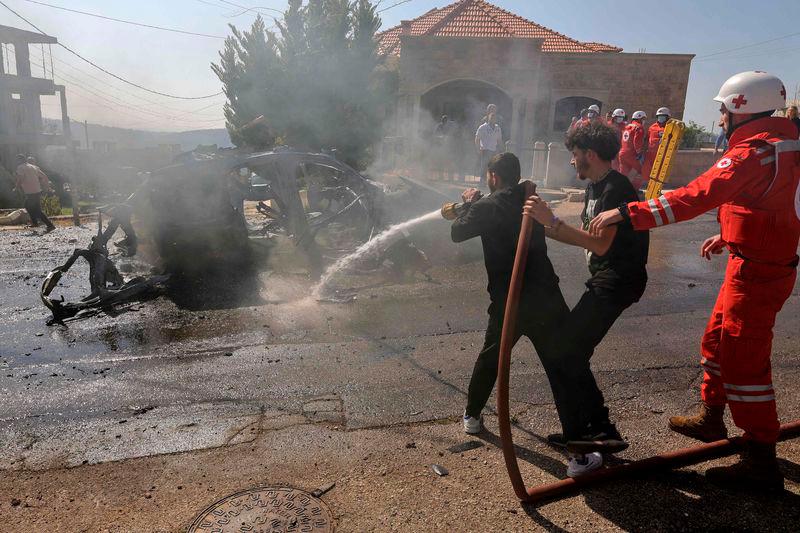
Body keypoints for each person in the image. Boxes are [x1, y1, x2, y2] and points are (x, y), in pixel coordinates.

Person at [589, 71, 800, 491]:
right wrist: (731, 232)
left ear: (741, 109)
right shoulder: (783, 146)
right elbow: (776, 202)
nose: (719, 117)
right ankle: (711, 418)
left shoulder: (752, 154)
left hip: (760, 272)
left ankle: (760, 461)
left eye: (723, 108)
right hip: (755, 262)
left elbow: (696, 195)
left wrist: (630, 214)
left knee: (745, 364)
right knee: (717, 341)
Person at [450, 153, 605, 477]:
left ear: (493, 176)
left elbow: (457, 232)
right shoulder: (532, 199)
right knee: (562, 369)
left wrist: (467, 202)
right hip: (546, 299)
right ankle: (578, 456)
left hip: (508, 302)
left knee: (491, 358)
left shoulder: (486, 207)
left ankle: (472, 416)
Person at [523, 120, 648, 464]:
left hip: (617, 279)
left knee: (567, 350)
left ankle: (601, 429)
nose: (572, 161)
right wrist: (543, 228)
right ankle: (582, 428)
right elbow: (583, 235)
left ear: (590, 154)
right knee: (570, 351)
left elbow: (600, 244)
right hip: (606, 278)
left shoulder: (616, 189)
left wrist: (551, 223)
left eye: (575, 155)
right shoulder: (595, 186)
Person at [15, 154, 55, 233]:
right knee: (28, 206)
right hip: (37, 191)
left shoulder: (20, 167)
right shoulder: (33, 167)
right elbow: (44, 176)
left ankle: (49, 225)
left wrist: (16, 187)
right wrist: (45, 186)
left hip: (30, 192)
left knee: (36, 210)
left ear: (19, 160)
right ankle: (36, 222)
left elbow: (21, 178)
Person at [641, 107, 671, 182]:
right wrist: (643, 152)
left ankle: (657, 189)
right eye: (659, 116)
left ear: (667, 117)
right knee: (646, 171)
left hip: (662, 155)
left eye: (663, 117)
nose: (661, 118)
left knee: (659, 174)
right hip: (650, 154)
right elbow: (646, 140)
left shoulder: (670, 128)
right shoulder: (652, 127)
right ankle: (649, 187)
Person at [618, 110, 646, 188]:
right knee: (641, 171)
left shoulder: (626, 127)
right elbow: (637, 141)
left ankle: (620, 189)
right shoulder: (639, 127)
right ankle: (635, 189)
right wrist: (639, 152)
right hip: (631, 154)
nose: (644, 121)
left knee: (623, 174)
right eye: (643, 119)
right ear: (639, 118)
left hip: (622, 153)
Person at [474, 112, 502, 182]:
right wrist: (478, 149)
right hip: (485, 150)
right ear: (488, 118)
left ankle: (491, 184)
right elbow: (477, 139)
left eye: (494, 118)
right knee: (484, 168)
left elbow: (499, 140)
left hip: (494, 151)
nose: (493, 119)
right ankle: (482, 183)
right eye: (491, 117)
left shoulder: (498, 128)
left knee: (493, 168)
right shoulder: (483, 127)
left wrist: (500, 150)